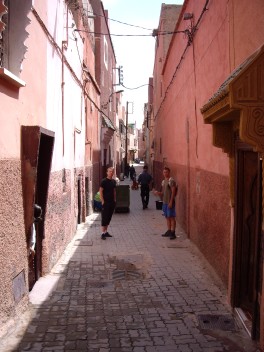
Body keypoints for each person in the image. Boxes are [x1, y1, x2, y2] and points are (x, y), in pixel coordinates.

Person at [153, 166, 178, 240]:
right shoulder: (164, 181)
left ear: (169, 172)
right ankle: (169, 230)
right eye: (164, 172)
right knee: (167, 217)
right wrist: (158, 193)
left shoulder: (171, 181)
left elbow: (173, 192)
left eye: (166, 172)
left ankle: (173, 233)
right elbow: (163, 192)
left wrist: (171, 201)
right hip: (165, 202)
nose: (165, 173)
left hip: (170, 202)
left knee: (172, 217)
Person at [99, 167, 116, 240]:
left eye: (112, 171)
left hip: (112, 202)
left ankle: (106, 232)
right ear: (107, 172)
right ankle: (102, 233)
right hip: (105, 202)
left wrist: (115, 200)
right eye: (109, 171)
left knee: (109, 218)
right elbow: (100, 191)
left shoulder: (113, 181)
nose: (111, 173)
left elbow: (114, 191)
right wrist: (102, 201)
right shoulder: (104, 181)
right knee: (104, 217)